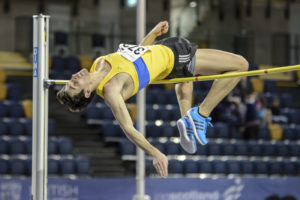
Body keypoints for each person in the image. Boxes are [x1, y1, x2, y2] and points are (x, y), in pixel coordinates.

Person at [57, 21, 249, 178]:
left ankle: (187, 123)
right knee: (240, 65)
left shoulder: (98, 63)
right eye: (74, 85)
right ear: (88, 92)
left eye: (69, 82)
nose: (73, 78)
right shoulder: (111, 90)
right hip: (174, 55)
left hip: (163, 51)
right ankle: (201, 114)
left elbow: (137, 54)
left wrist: (153, 34)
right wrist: (155, 153)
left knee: (186, 81)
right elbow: (129, 129)